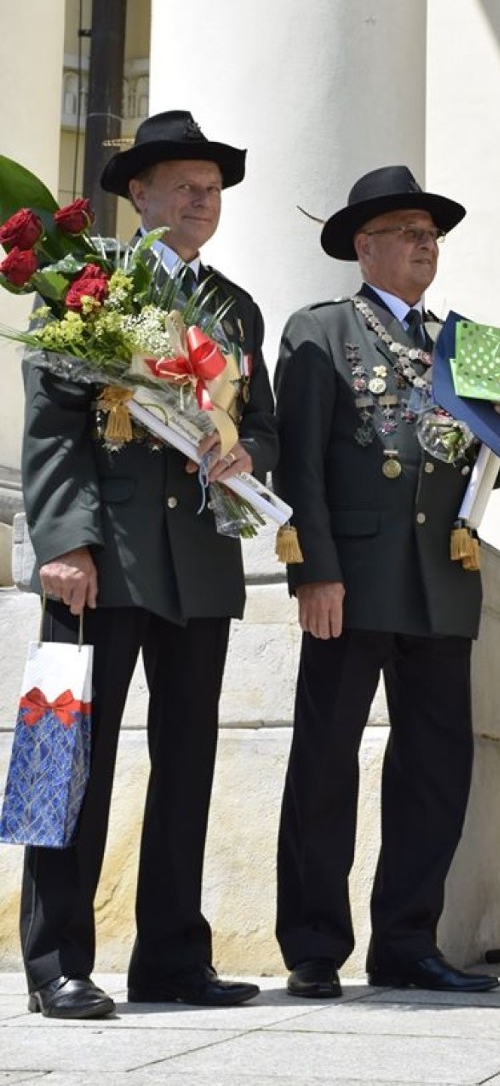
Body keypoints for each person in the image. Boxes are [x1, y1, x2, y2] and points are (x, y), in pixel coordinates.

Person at [20, 110, 277, 1018]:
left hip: (200, 562)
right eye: (183, 184)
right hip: (104, 555)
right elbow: (52, 422)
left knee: (188, 761)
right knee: (66, 752)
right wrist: (62, 540)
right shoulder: (87, 283)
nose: (202, 199)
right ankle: (56, 960)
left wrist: (250, 456)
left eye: (211, 187)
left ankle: (171, 955)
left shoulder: (235, 308)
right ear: (139, 194)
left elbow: (266, 423)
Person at [273, 165, 500, 998]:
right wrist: (314, 570)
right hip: (350, 580)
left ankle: (407, 941)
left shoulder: (465, 343)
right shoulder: (319, 332)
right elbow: (301, 465)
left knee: (435, 768)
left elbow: (487, 463)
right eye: (410, 234)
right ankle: (314, 945)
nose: (427, 247)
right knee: (326, 762)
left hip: (439, 577)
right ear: (366, 246)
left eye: (432, 236)